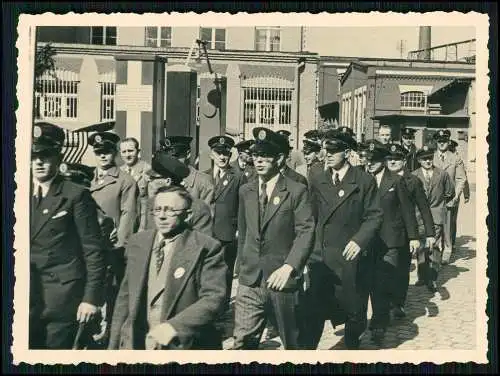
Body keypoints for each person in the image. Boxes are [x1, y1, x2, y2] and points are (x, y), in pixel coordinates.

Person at [108, 185, 228, 350]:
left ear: (188, 215)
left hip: (182, 345)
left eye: (170, 210)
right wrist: (113, 346)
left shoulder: (205, 247)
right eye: (157, 210)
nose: (162, 216)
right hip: (138, 342)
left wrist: (174, 327)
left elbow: (214, 298)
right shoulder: (138, 243)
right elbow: (125, 298)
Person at [233, 127, 315, 350]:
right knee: (242, 343)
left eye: (265, 156)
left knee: (293, 342)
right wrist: (241, 266)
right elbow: (244, 231)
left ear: (279, 159)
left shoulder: (296, 191)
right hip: (250, 279)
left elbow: (306, 230)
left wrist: (290, 266)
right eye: (256, 155)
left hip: (282, 279)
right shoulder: (246, 190)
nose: (258, 161)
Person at [30, 122, 106, 349]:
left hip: (61, 297)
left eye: (46, 155)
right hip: (25, 294)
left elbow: (92, 250)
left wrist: (90, 298)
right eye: (33, 156)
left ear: (58, 157)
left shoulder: (75, 195)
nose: (39, 162)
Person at [306, 128, 383, 350]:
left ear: (347, 152)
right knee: (315, 310)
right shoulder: (317, 178)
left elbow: (374, 215)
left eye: (334, 150)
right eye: (325, 150)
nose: (327, 154)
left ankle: (351, 347)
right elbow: (310, 217)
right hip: (322, 256)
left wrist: (360, 240)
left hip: (351, 256)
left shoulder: (364, 180)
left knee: (353, 309)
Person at [364, 140, 419, 344]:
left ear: (384, 161)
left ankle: (379, 321)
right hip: (368, 240)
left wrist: (413, 237)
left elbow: (407, 210)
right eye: (367, 159)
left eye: (374, 160)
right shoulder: (361, 179)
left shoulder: (396, 180)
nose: (369, 163)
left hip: (391, 240)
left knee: (384, 279)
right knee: (368, 280)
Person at [88, 131, 139, 322]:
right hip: (89, 244)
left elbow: (128, 215)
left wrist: (119, 245)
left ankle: (111, 331)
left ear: (114, 153)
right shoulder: (87, 178)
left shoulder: (125, 181)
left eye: (107, 151)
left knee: (112, 290)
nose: (102, 156)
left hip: (111, 246)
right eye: (98, 151)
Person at [385, 143, 435, 318]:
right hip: (383, 232)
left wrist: (430, 233)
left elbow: (424, 207)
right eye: (389, 159)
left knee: (401, 269)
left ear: (404, 161)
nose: (392, 162)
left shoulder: (412, 181)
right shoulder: (380, 178)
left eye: (396, 159)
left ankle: (398, 303)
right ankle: (385, 302)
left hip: (406, 232)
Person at [204, 135, 246, 306]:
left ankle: (222, 308)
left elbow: (242, 205)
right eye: (218, 152)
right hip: (206, 232)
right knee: (207, 271)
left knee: (225, 272)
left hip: (228, 233)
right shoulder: (203, 176)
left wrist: (238, 229)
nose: (222, 157)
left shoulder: (238, 177)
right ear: (211, 154)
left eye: (226, 154)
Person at [413, 145, 455, 291]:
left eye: (430, 157)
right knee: (421, 246)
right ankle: (422, 276)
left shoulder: (442, 174)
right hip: (419, 217)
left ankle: (432, 277)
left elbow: (450, 192)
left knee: (434, 246)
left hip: (436, 215)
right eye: (424, 159)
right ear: (419, 160)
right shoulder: (414, 175)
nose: (428, 161)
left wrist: (439, 204)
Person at [143, 152, 212, 235]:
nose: (148, 181)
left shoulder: (198, 209)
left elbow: (202, 244)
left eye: (153, 178)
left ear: (167, 181)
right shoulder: (151, 204)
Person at [432, 129, 467, 264]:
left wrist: (456, 196)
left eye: (444, 141)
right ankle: (434, 249)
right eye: (439, 141)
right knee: (435, 224)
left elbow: (460, 179)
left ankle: (447, 250)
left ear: (448, 142)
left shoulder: (455, 158)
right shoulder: (431, 156)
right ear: (436, 142)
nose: (442, 143)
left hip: (450, 197)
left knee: (448, 225)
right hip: (434, 198)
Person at [159, 136, 214, 207]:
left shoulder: (203, 182)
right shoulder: (159, 180)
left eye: (176, 156)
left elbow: (207, 215)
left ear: (188, 154)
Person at [119, 137, 151, 232]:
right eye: (123, 152)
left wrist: (143, 227)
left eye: (130, 151)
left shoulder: (148, 171)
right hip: (123, 224)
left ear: (138, 151)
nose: (127, 155)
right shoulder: (119, 172)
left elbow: (150, 203)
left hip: (142, 223)